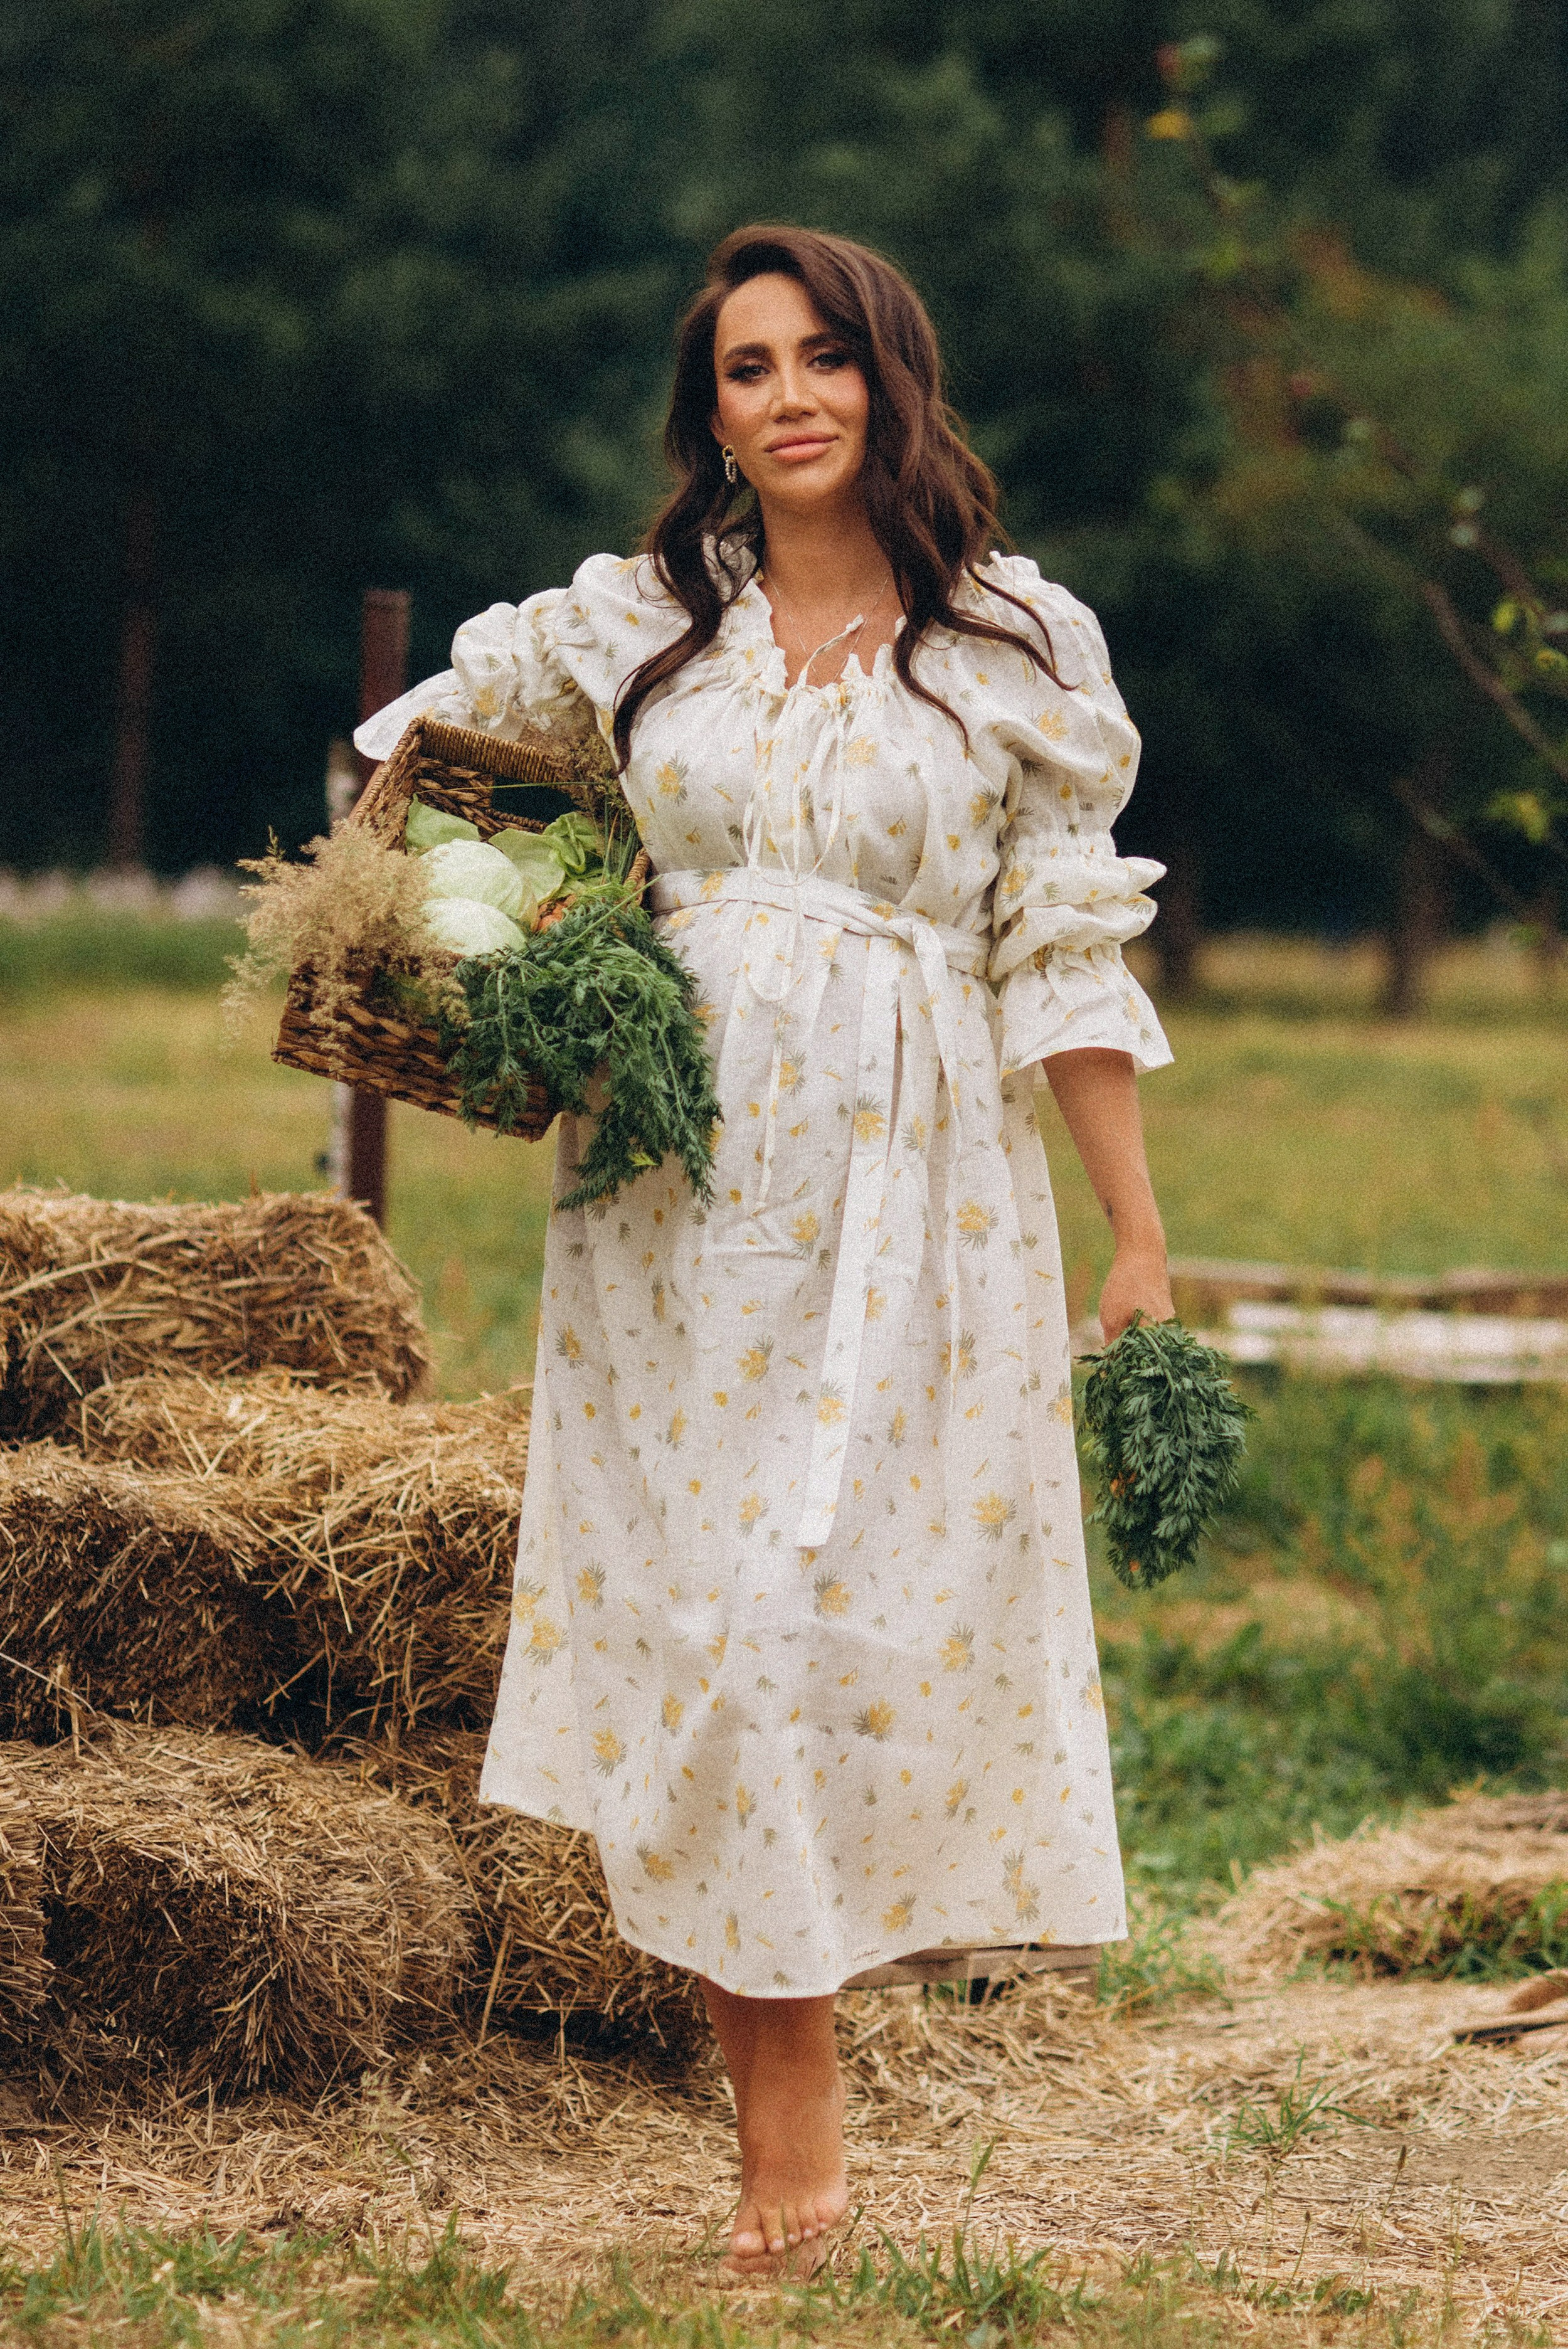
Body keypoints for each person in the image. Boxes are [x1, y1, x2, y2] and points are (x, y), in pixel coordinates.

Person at [356, 223, 1174, 2277]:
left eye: (823, 359)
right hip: (668, 1192)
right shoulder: (647, 618)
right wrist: (455, 931)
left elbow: (1062, 944)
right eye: (744, 369)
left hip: (917, 1194)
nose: (787, 397)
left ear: (893, 380)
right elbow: (419, 752)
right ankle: (781, 2136)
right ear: (706, 410)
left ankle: (803, 2079)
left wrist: (1138, 1226)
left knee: (822, 1620)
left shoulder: (1014, 646)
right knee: (710, 1634)